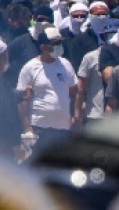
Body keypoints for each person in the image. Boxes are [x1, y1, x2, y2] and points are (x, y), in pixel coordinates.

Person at [16, 27, 78, 155]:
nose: (59, 46)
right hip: (40, 128)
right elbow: (22, 100)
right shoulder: (30, 68)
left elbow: (74, 93)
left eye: (60, 43)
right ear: (43, 47)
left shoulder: (66, 64)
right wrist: (27, 128)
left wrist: (74, 117)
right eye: (54, 44)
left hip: (63, 128)